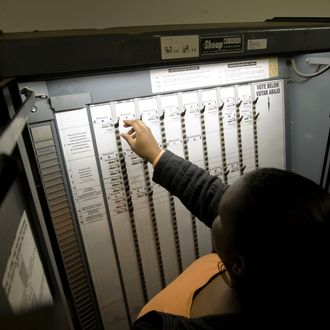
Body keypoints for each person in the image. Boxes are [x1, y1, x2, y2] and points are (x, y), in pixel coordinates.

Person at [121, 119, 330, 329]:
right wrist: (157, 155)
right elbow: (212, 195)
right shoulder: (291, 249)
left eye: (220, 215)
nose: (216, 209)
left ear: (238, 264)